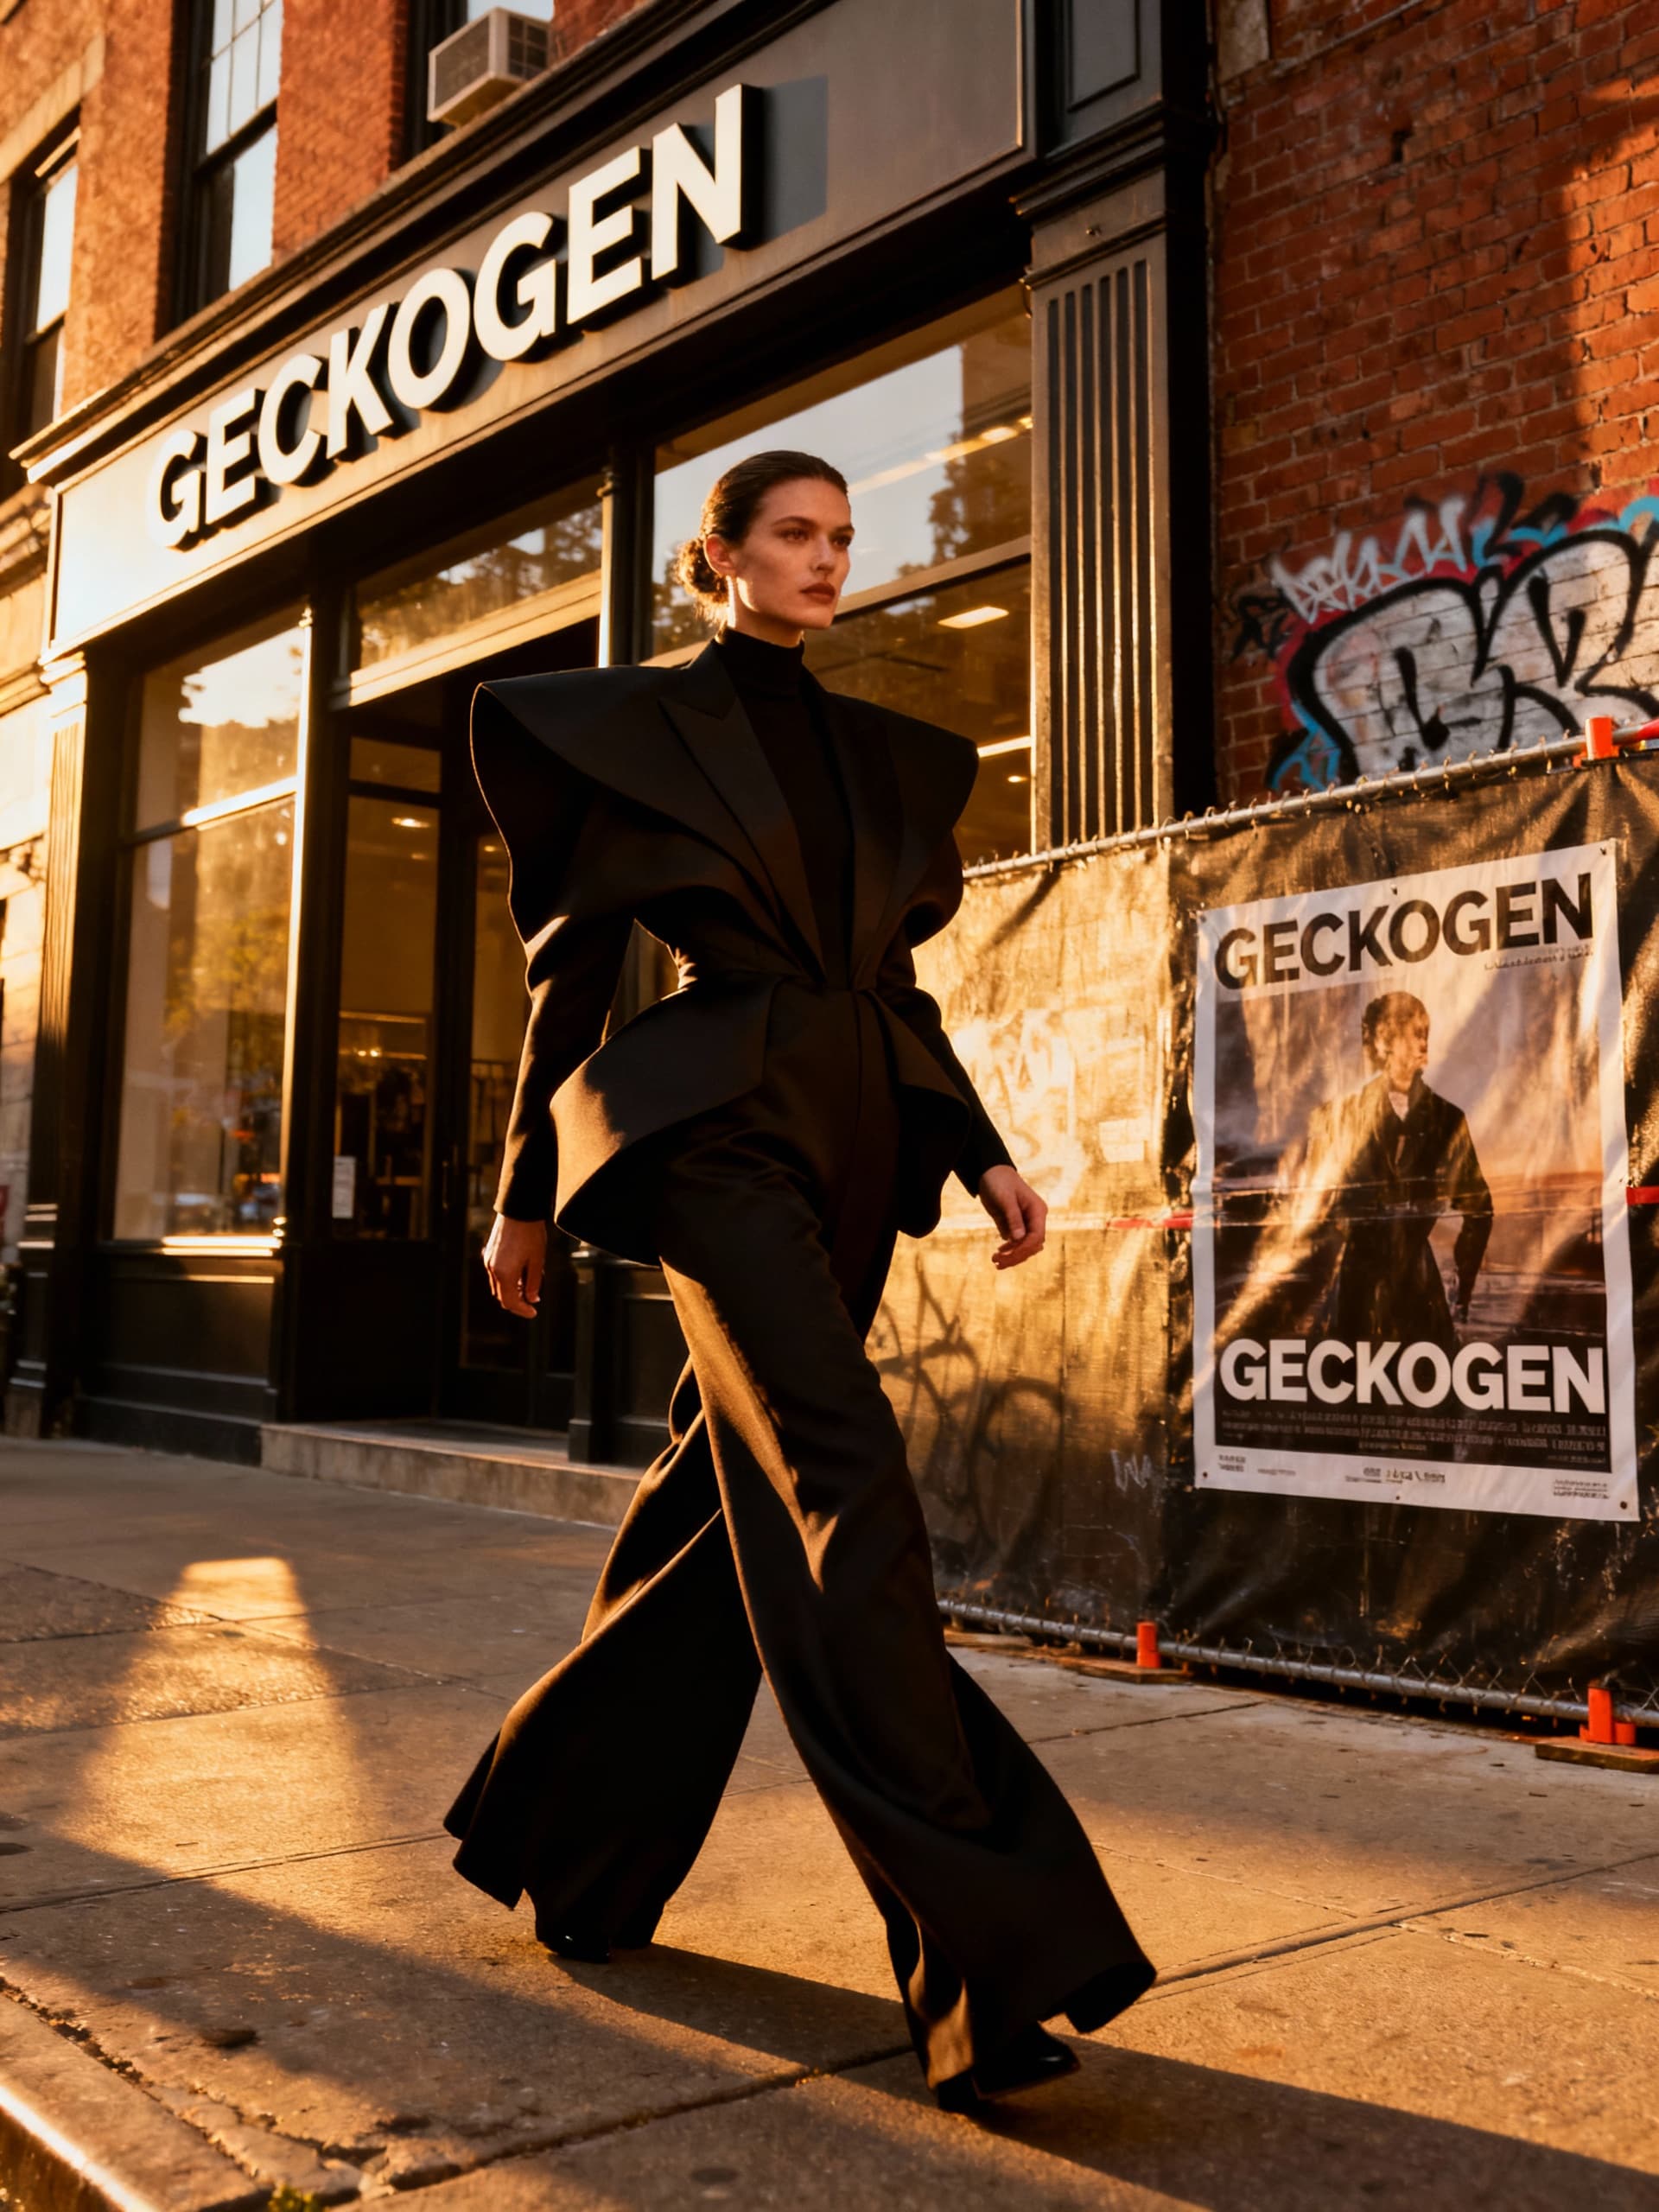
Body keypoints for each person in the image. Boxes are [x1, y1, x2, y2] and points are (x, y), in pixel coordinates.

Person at [440, 448, 1154, 2113]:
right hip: (711, 1139)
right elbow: (575, 985)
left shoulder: (868, 749)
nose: (831, 560)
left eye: (845, 538)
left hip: (848, 1143)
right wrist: (522, 1199)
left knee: (723, 1520)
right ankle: (988, 1962)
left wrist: (981, 1152)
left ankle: (568, 1847)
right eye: (797, 535)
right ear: (723, 557)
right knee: (850, 1494)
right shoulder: (638, 729)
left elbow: (894, 993)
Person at [1299, 990, 1493, 1348]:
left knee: (1425, 1387)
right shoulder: (1334, 1118)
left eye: (1426, 1033)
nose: (1424, 1043)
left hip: (1419, 1294)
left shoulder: (1448, 1119)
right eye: (1413, 1033)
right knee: (1343, 1390)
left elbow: (1480, 1208)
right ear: (1384, 1041)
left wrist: (1462, 1289)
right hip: (1352, 1295)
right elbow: (1314, 1213)